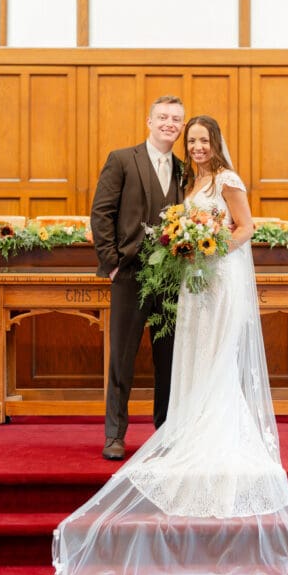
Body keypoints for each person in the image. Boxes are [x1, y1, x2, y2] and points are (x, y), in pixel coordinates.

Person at [53, 114, 288, 575]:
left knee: (213, 361)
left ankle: (204, 432)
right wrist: (180, 246)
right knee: (181, 358)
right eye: (192, 139)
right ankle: (162, 430)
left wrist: (211, 248)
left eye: (203, 139)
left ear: (216, 143)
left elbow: (246, 227)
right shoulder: (187, 181)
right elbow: (111, 213)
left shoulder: (227, 179)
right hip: (188, 284)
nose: (197, 146)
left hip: (216, 279)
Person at [90, 95, 186, 461]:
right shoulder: (121, 160)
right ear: (149, 121)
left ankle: (165, 433)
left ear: (181, 126)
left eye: (175, 119)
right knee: (122, 358)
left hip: (171, 276)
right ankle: (115, 435)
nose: (169, 123)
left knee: (169, 360)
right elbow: (101, 213)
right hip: (130, 273)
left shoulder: (184, 170)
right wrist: (112, 263)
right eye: (162, 117)